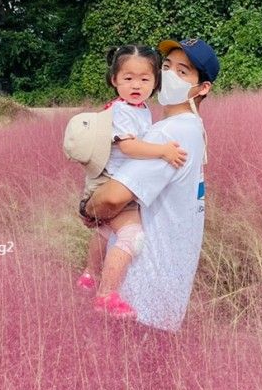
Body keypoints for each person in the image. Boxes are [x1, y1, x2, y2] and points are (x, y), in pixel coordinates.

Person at [82, 38, 220, 332]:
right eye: (167, 66)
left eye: (183, 72)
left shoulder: (167, 134)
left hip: (140, 294)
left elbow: (111, 199)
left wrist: (87, 207)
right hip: (166, 293)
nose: (170, 75)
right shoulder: (193, 128)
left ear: (203, 88)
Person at [71, 44, 188, 320]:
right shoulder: (122, 111)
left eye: (145, 79)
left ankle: (90, 274)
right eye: (128, 78)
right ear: (114, 80)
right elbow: (129, 148)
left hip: (114, 183)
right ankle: (106, 295)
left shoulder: (140, 108)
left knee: (106, 231)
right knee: (132, 236)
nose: (136, 85)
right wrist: (163, 151)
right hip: (113, 184)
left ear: (155, 82)